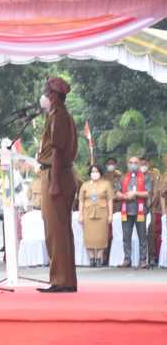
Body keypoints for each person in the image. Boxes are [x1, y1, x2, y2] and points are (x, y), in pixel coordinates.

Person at [37, 76, 79, 292]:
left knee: (56, 230)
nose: (44, 95)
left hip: (56, 175)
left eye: (46, 92)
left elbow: (56, 151)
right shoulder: (57, 114)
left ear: (53, 96)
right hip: (57, 174)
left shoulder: (59, 115)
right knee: (59, 229)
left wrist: (53, 183)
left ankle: (61, 280)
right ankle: (65, 280)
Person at [117, 154, 151, 269]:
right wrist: (124, 196)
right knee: (126, 237)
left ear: (140, 164)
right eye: (131, 162)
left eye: (136, 163)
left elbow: (147, 193)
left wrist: (135, 194)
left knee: (142, 237)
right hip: (126, 211)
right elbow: (117, 192)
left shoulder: (145, 177)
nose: (133, 165)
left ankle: (143, 261)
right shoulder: (123, 177)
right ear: (127, 164)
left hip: (140, 211)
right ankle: (127, 259)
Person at [79, 164, 114, 267]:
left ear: (100, 173)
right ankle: (91, 258)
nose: (95, 174)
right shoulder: (85, 185)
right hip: (88, 213)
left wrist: (110, 215)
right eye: (93, 172)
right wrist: (80, 214)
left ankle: (99, 257)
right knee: (89, 237)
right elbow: (81, 200)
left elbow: (110, 200)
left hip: (102, 213)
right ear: (90, 173)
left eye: (97, 171)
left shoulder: (106, 184)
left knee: (101, 237)